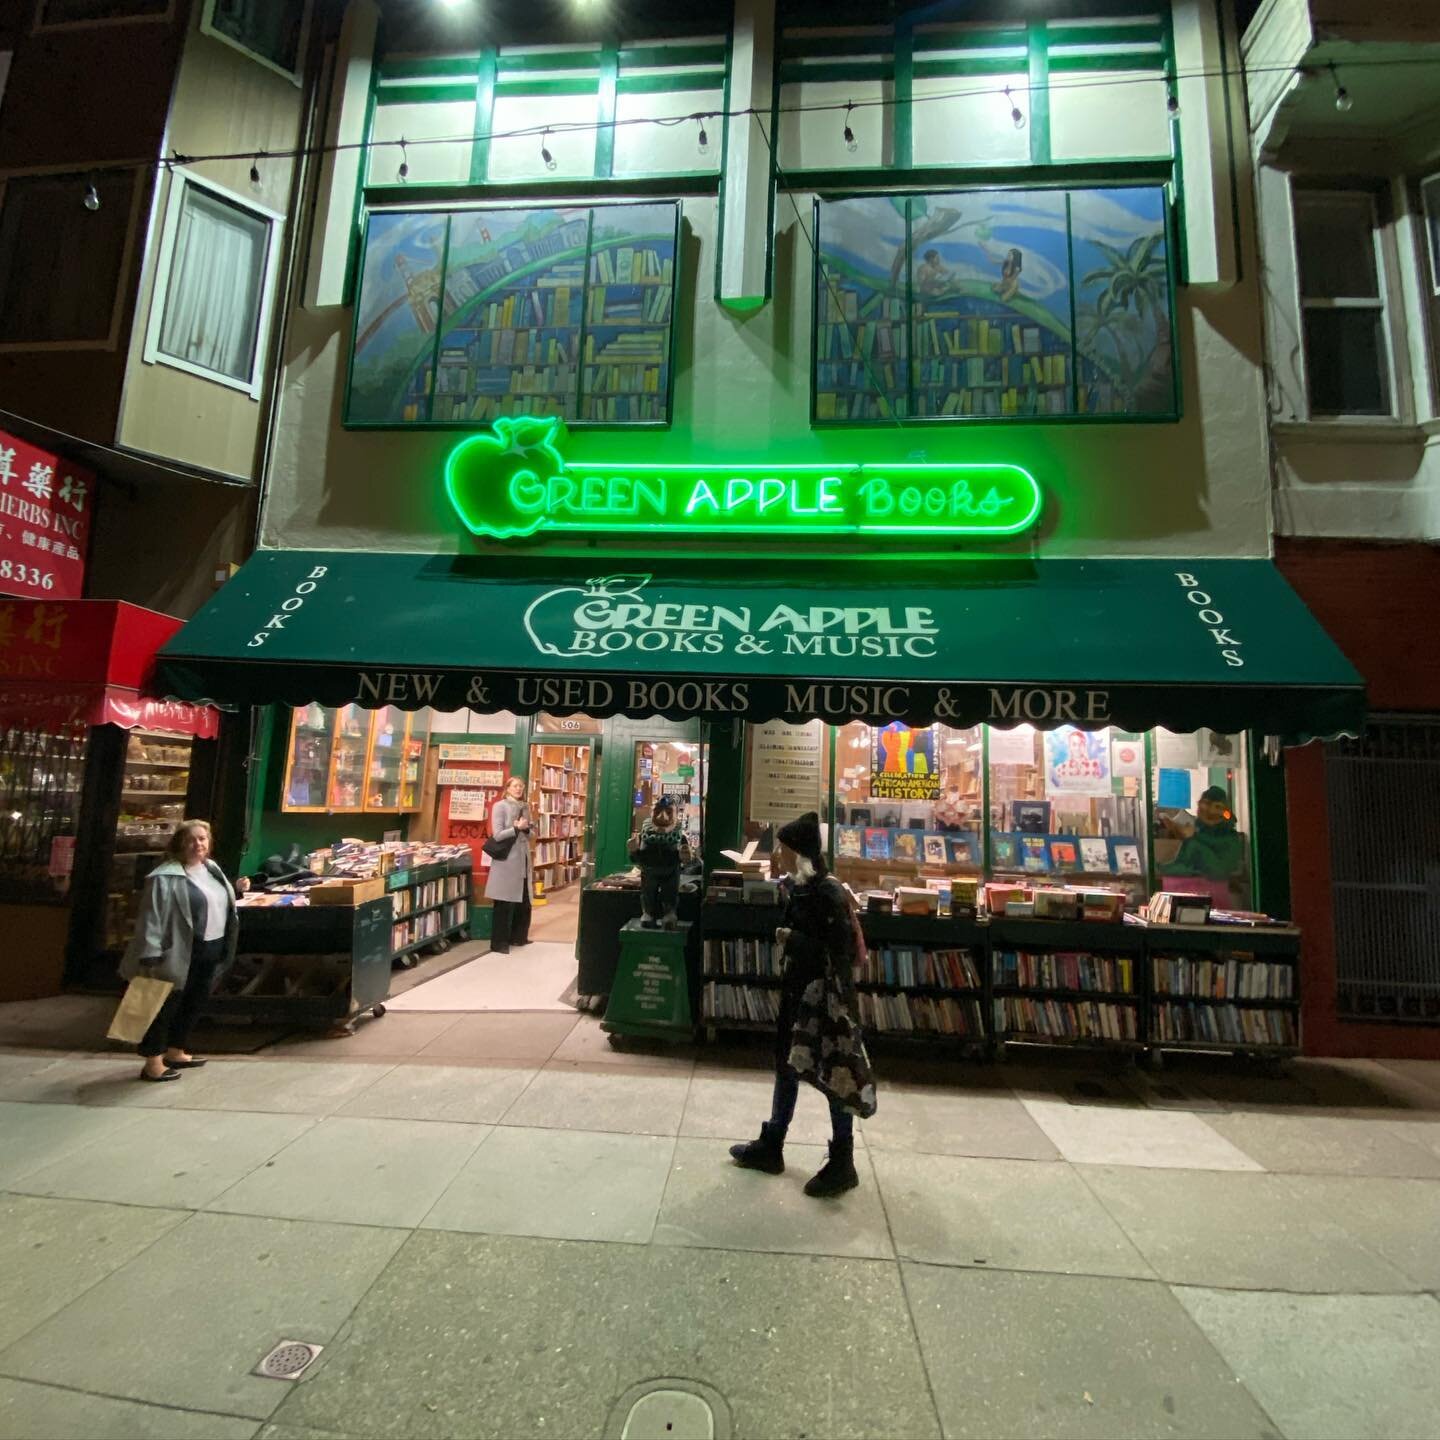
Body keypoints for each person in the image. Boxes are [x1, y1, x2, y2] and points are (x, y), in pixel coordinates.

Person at [730, 811, 875, 1198]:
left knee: (834, 1074)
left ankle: (843, 1162)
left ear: (800, 854)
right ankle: (773, 1143)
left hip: (825, 1001)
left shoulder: (826, 893)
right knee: (787, 1066)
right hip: (800, 994)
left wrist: (790, 939)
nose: (778, 856)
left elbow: (837, 951)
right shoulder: (801, 888)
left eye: (783, 849)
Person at [119, 819, 247, 1082]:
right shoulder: (165, 876)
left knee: (194, 1001)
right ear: (179, 844)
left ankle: (176, 1049)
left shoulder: (211, 869)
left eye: (202, 839)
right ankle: (153, 1062)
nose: (197, 845)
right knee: (163, 1004)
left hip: (210, 947)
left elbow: (215, 898)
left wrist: (236, 890)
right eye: (191, 840)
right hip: (177, 951)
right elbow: (152, 917)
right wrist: (151, 951)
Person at [1159, 785, 1245, 900]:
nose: (1206, 810)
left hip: (1218, 872)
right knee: (1191, 844)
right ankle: (1174, 867)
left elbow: (1215, 845)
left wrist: (1194, 836)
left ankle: (1176, 868)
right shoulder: (1201, 828)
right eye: (1203, 805)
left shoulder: (1228, 832)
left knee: (1195, 845)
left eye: (1212, 806)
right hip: (1201, 874)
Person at [486, 775, 533, 954]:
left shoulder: (525, 806)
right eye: (515, 786)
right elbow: (497, 834)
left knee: (524, 900)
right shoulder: (500, 806)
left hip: (523, 858)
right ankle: (499, 943)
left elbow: (531, 833)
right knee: (503, 902)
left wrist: (527, 828)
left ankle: (519, 937)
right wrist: (516, 828)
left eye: (521, 786)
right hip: (507, 860)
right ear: (507, 788)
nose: (518, 789)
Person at [629, 795, 691, 929]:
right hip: (649, 871)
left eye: (668, 812)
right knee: (647, 893)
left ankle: (669, 913)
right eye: (658, 812)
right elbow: (636, 859)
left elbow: (688, 862)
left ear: (675, 814)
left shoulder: (679, 836)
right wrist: (633, 851)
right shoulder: (643, 835)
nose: (662, 817)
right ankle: (648, 913)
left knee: (670, 894)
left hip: (670, 872)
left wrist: (685, 856)